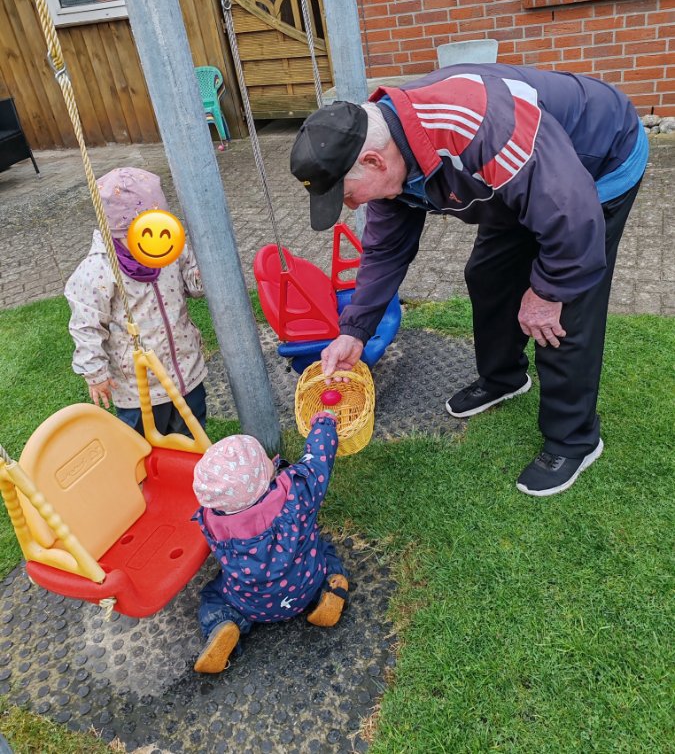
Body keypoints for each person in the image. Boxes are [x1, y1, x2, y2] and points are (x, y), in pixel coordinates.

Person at [290, 65, 649, 497]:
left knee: (563, 311)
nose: (351, 206)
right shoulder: (388, 154)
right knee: (488, 274)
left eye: (347, 195)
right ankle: (504, 378)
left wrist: (547, 293)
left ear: (373, 161)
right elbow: (386, 250)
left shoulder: (478, 127)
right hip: (521, 180)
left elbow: (572, 218)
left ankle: (574, 440)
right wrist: (355, 331)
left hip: (599, 160)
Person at [192, 417, 349, 673]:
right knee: (324, 550)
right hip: (305, 585)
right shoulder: (297, 491)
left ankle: (222, 624)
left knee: (213, 595)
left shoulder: (212, 521)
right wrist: (324, 425)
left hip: (253, 605)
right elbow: (319, 461)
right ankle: (330, 586)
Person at [65, 167, 208, 435]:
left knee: (193, 435)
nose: (156, 243)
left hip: (186, 369)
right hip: (138, 388)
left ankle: (196, 463)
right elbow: (86, 324)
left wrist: (201, 275)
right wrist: (95, 372)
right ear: (116, 233)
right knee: (143, 445)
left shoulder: (170, 250)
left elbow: (193, 284)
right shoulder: (98, 270)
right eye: (144, 235)